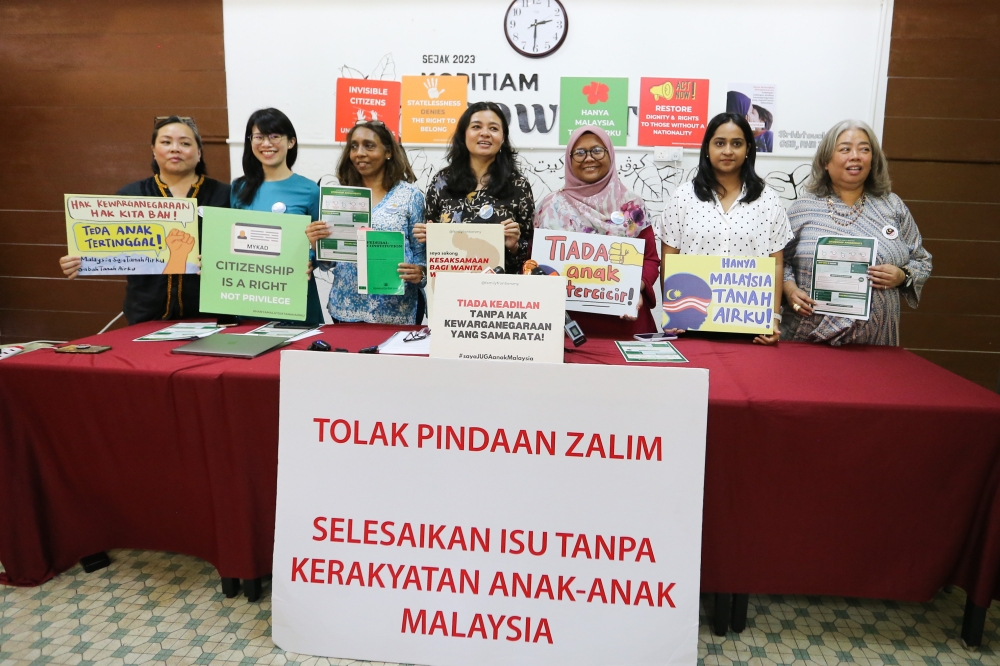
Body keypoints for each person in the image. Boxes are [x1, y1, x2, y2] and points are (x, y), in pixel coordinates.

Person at [59, 116, 231, 324]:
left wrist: (222, 261)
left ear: (199, 153)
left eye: (185, 143)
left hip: (212, 314)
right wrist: (81, 261)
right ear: (153, 150)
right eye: (166, 142)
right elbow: (108, 248)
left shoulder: (226, 196)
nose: (175, 149)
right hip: (146, 314)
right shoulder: (130, 196)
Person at [780, 119, 932, 345]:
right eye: (845, 149)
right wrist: (789, 289)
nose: (856, 156)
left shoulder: (892, 206)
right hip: (808, 337)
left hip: (876, 340)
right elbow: (778, 260)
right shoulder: (803, 208)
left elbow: (922, 261)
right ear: (825, 161)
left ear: (873, 160)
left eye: (864, 149)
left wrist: (902, 276)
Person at [658, 112, 791, 345]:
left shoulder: (768, 199)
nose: (728, 151)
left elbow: (776, 263)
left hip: (751, 328)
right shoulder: (683, 197)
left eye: (736, 144)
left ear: (748, 149)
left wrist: (774, 317)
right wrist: (673, 312)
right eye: (720, 143)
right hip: (691, 324)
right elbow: (669, 260)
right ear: (707, 148)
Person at [534, 125, 659, 336]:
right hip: (566, 325)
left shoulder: (633, 206)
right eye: (580, 152)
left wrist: (635, 287)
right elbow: (534, 263)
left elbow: (650, 259)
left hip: (626, 323)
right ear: (569, 159)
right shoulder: (549, 206)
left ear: (610, 154)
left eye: (597, 150)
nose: (589, 158)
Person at [309, 121, 426, 324]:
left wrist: (420, 273)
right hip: (347, 308)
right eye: (354, 146)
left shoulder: (410, 196)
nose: (359, 153)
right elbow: (329, 263)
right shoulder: (339, 197)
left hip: (398, 310)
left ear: (388, 152)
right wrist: (317, 244)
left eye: (369, 146)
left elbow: (421, 254)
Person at [415, 101, 534, 274]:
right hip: (450, 285)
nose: (485, 133)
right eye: (476, 127)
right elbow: (431, 246)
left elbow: (530, 253)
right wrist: (427, 236)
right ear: (463, 134)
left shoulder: (518, 185)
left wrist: (514, 246)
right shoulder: (442, 182)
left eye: (493, 128)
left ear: (503, 138)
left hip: (501, 287)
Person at [231, 108, 323, 324]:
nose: (266, 144)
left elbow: (322, 248)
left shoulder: (310, 190)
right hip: (249, 294)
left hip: (295, 294)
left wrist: (312, 259)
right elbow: (229, 242)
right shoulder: (238, 188)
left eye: (274, 136)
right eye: (259, 137)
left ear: (291, 142)